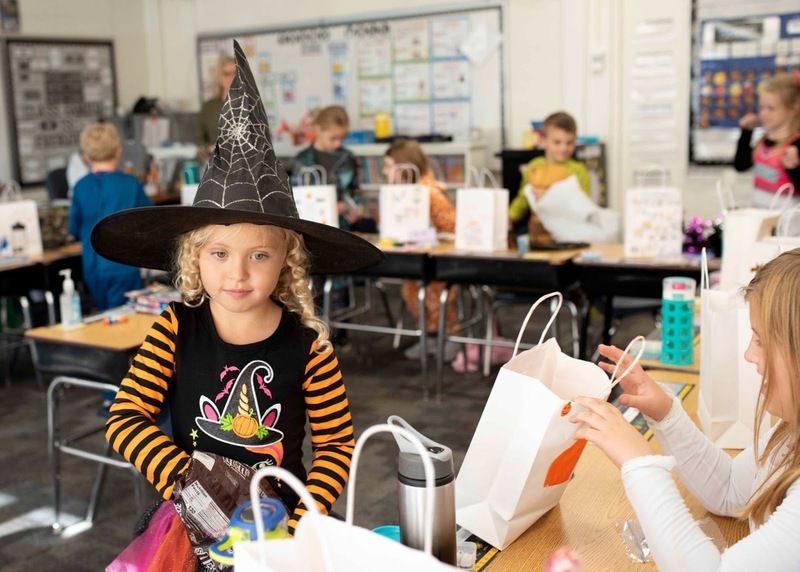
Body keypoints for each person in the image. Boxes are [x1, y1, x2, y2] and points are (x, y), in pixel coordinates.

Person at [95, 41, 383, 566]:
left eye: (259, 255)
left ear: (286, 262)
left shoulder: (309, 346)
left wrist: (298, 522)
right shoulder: (175, 328)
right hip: (189, 525)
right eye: (220, 253)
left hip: (282, 529)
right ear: (194, 258)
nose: (238, 273)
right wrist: (193, 481)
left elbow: (337, 446)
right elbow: (125, 417)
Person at [570, 249, 800, 570]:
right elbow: (730, 489)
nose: (749, 354)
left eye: (761, 341)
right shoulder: (790, 433)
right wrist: (665, 414)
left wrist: (642, 465)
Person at [383, 139, 459, 361]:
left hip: (439, 258)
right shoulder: (402, 193)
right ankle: (431, 337)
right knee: (411, 292)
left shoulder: (430, 191)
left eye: (389, 166)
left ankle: (451, 337)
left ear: (405, 165)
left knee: (433, 294)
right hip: (416, 257)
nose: (386, 172)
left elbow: (452, 226)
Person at [68, 123, 152, 311]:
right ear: (118, 152)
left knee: (104, 314)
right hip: (124, 265)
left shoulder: (80, 186)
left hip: (92, 268)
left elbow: (73, 229)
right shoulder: (130, 184)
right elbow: (151, 221)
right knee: (128, 316)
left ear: (86, 157)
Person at [508, 111, 590, 239]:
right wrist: (510, 217)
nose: (564, 148)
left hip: (569, 234)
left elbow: (583, 206)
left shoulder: (579, 171)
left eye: (569, 143)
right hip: (538, 231)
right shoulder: (534, 167)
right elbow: (523, 198)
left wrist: (550, 198)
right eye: (557, 142)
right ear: (543, 141)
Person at [292, 105, 373, 231]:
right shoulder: (302, 160)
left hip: (343, 228)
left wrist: (353, 209)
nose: (338, 143)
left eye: (342, 138)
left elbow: (355, 191)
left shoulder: (348, 158)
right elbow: (295, 198)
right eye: (333, 138)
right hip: (310, 228)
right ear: (318, 130)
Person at [734, 72, 800, 208]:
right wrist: (746, 133)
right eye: (761, 107)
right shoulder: (764, 140)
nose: (763, 114)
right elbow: (741, 165)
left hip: (787, 220)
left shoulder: (796, 145)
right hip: (761, 215)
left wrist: (794, 168)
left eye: (771, 109)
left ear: (793, 109)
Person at [196, 54, 236, 161]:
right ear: (219, 78)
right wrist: (208, 148)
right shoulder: (209, 108)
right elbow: (199, 141)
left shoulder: (250, 104)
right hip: (216, 163)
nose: (232, 78)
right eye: (227, 74)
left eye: (235, 74)